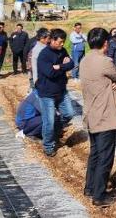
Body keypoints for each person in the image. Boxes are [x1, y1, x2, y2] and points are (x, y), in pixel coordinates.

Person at [80, 27, 116, 208]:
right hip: (105, 115)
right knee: (105, 157)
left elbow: (104, 81)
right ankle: (99, 196)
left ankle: (90, 187)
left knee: (95, 153)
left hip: (92, 113)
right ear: (106, 43)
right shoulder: (105, 61)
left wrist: (112, 83)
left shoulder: (85, 60)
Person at [36, 28, 75, 156]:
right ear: (52, 40)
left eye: (63, 42)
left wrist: (59, 66)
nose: (62, 44)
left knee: (69, 114)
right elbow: (50, 73)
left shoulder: (62, 51)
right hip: (47, 93)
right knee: (49, 121)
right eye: (60, 42)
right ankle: (48, 146)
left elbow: (71, 64)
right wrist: (63, 67)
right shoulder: (44, 55)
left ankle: (56, 131)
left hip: (61, 90)